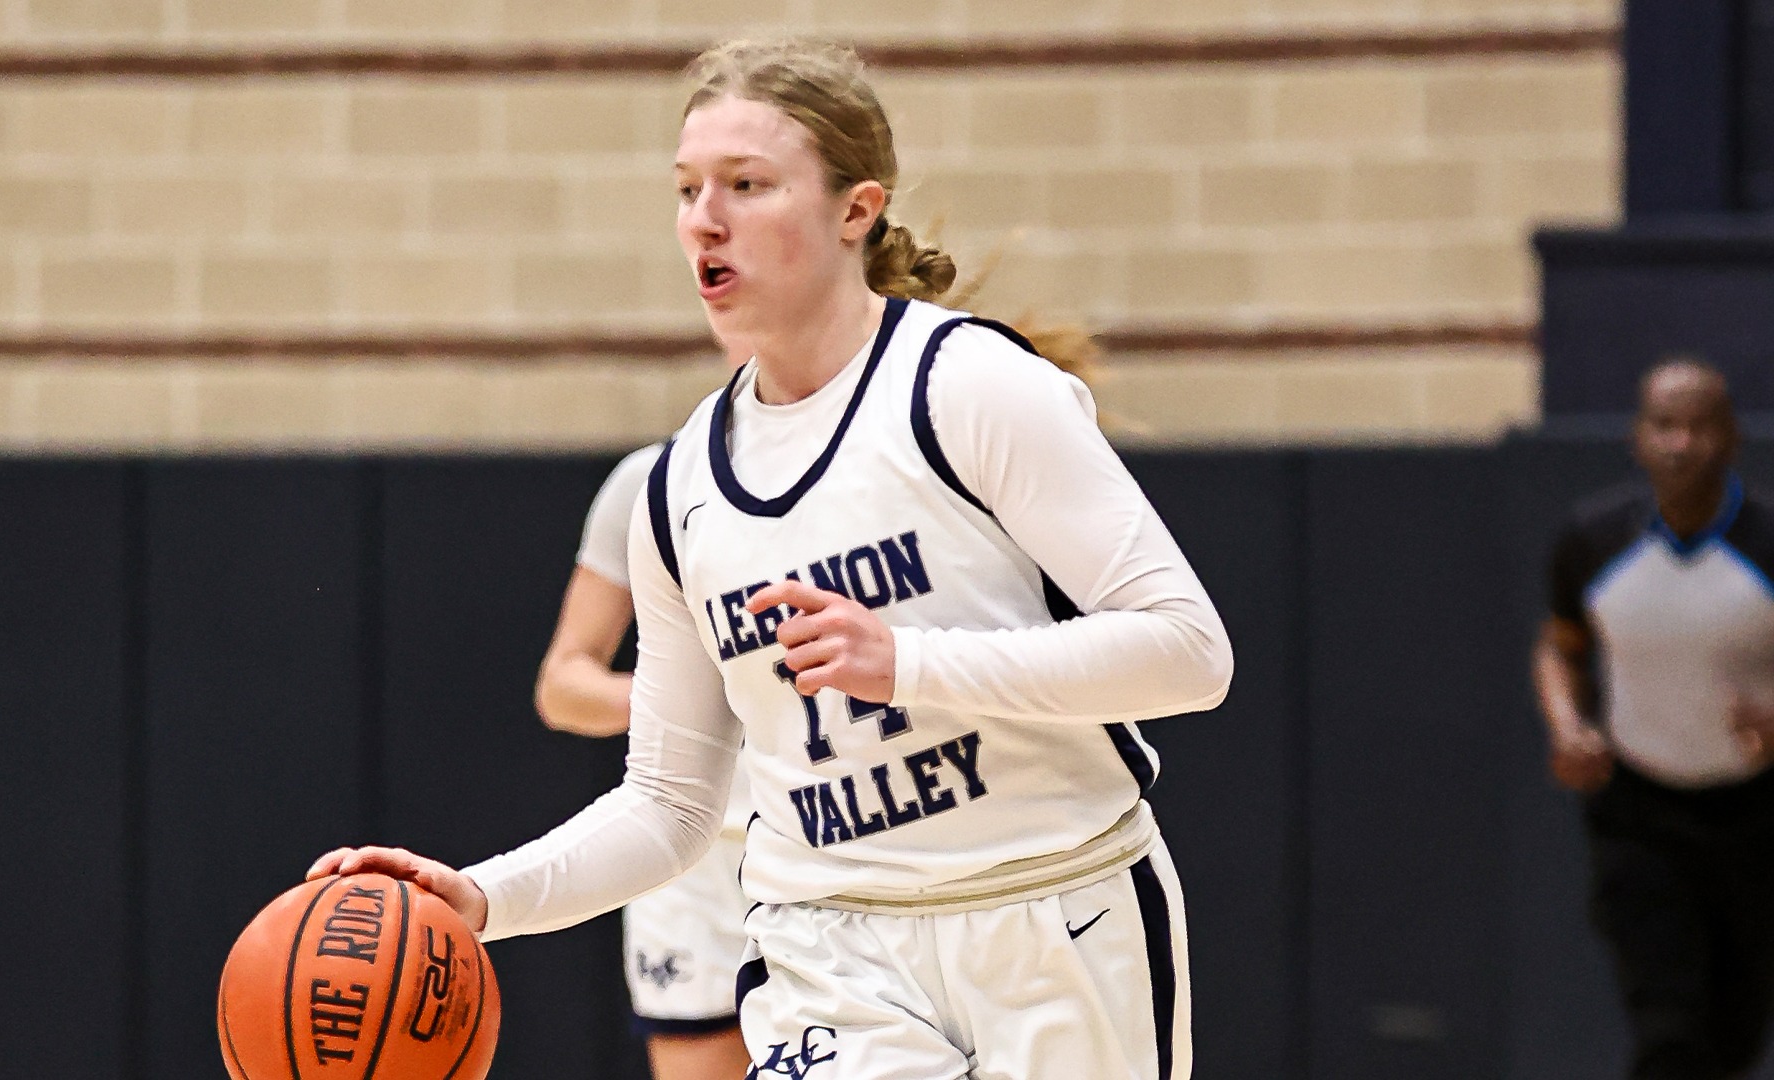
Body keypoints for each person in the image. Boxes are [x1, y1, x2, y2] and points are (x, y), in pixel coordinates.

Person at [313, 37, 1232, 1078]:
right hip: (832, 946)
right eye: (688, 188)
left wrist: (914, 665)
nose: (705, 217)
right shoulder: (678, 492)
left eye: (747, 186)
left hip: (1055, 915)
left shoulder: (968, 387)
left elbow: (1188, 653)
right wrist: (486, 898)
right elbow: (669, 805)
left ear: (856, 210)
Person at [1534, 358, 1774, 1080]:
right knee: (1669, 1027)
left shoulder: (1766, 543)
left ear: (1730, 437)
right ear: (1639, 437)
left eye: (1700, 425)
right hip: (1638, 814)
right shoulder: (1592, 540)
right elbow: (1559, 646)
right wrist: (1567, 724)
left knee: (1734, 1034)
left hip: (1755, 814)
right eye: (1664, 424)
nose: (1681, 442)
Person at [538, 418, 750, 1078]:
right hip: (698, 860)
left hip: (837, 848)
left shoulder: (885, 475)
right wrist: (678, 700)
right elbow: (562, 685)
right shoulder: (656, 481)